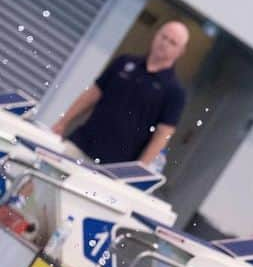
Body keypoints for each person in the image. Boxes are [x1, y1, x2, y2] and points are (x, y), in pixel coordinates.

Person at [52, 21, 189, 166]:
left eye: (172, 43)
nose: (164, 43)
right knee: (41, 178)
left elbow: (163, 134)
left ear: (181, 51)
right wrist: (63, 122)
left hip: (115, 165)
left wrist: (140, 168)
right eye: (164, 37)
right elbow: (91, 95)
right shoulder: (123, 63)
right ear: (156, 35)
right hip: (82, 143)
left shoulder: (174, 91)